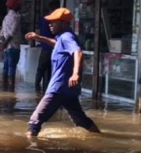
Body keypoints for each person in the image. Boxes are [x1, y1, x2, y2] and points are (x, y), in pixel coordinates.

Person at [25, 8, 101, 137]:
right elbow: (56, 44)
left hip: (58, 88)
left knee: (34, 122)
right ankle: (101, 138)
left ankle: (29, 148)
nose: (50, 25)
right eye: (50, 22)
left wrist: (75, 73)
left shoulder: (67, 37)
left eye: (53, 22)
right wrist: (39, 38)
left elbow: (77, 52)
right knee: (82, 121)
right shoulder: (63, 38)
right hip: (68, 89)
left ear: (64, 23)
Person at [36, 0, 59, 92]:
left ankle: (37, 89)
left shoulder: (43, 19)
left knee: (41, 70)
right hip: (51, 48)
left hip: (46, 48)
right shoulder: (53, 20)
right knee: (48, 70)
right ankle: (43, 90)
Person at [0, 0, 22, 89]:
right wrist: (5, 43)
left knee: (6, 68)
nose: (20, 6)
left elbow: (2, 33)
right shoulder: (16, 18)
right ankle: (11, 88)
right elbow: (12, 33)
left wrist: (3, 44)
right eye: (19, 5)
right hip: (14, 46)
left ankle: (4, 87)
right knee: (12, 68)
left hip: (7, 48)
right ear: (15, 6)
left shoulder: (6, 17)